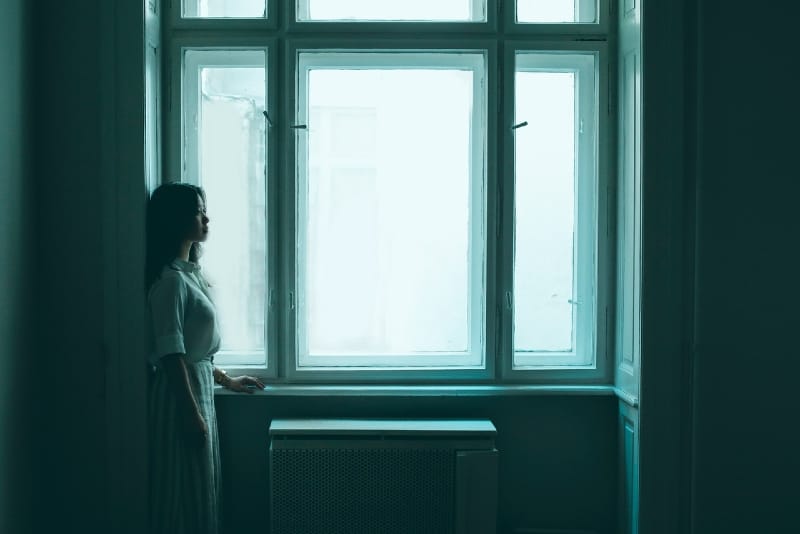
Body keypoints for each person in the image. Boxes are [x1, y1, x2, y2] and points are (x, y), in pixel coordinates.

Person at [145, 182, 265, 534]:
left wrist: (226, 380)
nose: (207, 218)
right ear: (177, 220)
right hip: (178, 398)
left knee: (198, 491)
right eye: (200, 211)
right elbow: (172, 353)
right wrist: (190, 413)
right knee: (179, 495)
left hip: (195, 391)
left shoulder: (188, 276)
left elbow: (196, 352)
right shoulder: (170, 283)